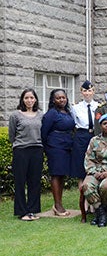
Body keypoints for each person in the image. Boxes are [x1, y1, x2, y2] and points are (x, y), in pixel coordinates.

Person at [9, 89, 44, 221]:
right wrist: (19, 144)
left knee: (34, 182)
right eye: (26, 98)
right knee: (20, 181)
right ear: (22, 100)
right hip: (21, 150)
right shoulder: (15, 115)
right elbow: (12, 135)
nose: (29, 100)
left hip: (37, 150)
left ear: (35, 99)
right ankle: (22, 212)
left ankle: (32, 210)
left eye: (32, 98)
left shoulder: (41, 115)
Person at [41, 89, 76, 217]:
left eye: (63, 97)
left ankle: (59, 203)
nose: (61, 100)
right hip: (55, 147)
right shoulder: (51, 114)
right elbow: (44, 133)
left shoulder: (67, 112)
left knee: (62, 175)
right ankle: (57, 205)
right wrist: (48, 147)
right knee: (56, 174)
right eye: (58, 98)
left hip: (67, 146)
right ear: (53, 100)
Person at [71, 81, 100, 183]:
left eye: (89, 91)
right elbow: (74, 123)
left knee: (96, 161)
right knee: (81, 166)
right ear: (81, 92)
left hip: (95, 135)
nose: (87, 93)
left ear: (93, 92)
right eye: (85, 91)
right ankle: (82, 196)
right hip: (81, 136)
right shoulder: (75, 108)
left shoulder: (99, 106)